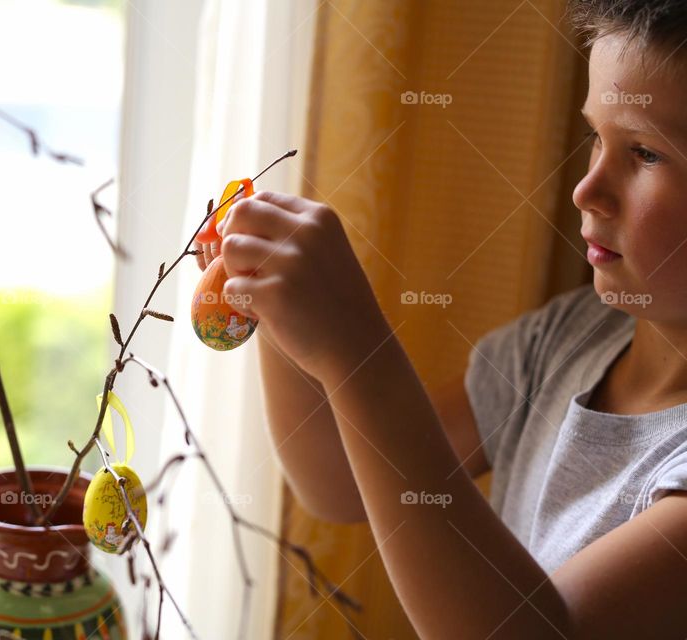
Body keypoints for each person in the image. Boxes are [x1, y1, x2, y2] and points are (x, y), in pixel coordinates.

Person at [193, 1, 687, 637]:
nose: (585, 189)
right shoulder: (563, 342)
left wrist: (355, 349)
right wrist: (273, 299)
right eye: (597, 136)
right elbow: (340, 482)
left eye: (645, 153)